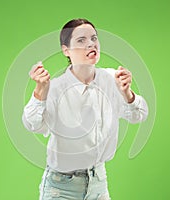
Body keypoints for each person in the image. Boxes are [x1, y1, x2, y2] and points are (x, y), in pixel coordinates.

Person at [22, 18, 148, 200]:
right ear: (66, 50)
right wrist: (40, 91)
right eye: (81, 40)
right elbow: (32, 124)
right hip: (61, 187)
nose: (91, 44)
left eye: (94, 38)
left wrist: (127, 93)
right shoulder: (55, 88)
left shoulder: (112, 79)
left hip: (98, 182)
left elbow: (139, 115)